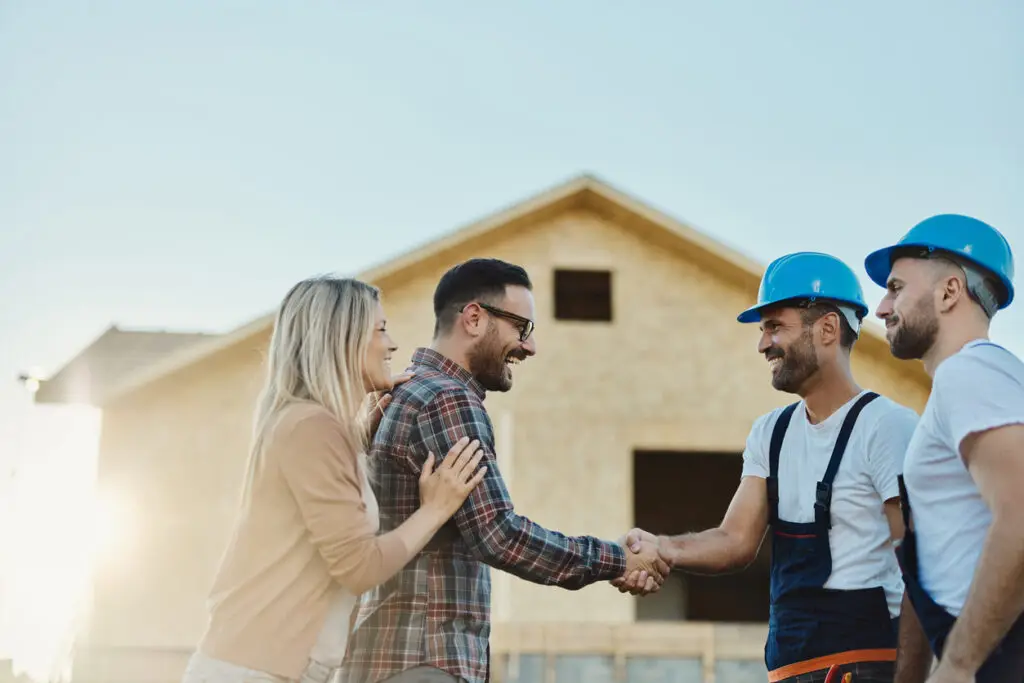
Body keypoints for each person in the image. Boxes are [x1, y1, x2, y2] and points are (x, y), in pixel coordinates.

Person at [342, 258, 669, 683]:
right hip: (424, 658)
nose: (529, 347)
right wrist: (616, 559)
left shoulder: (405, 393)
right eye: (522, 328)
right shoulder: (448, 400)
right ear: (475, 318)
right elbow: (499, 534)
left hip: (388, 655)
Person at [617, 252, 919, 683]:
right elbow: (735, 541)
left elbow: (919, 564)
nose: (762, 344)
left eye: (775, 327)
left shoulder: (887, 427)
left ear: (828, 328)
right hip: (788, 670)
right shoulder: (770, 433)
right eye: (762, 331)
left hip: (866, 667)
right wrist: (663, 547)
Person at [181, 276, 488, 683]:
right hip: (254, 671)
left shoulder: (309, 424)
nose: (392, 344)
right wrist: (435, 510)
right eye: (380, 329)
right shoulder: (312, 427)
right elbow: (358, 567)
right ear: (342, 339)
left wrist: (366, 413)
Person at [864, 214, 1024, 683]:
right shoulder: (990, 380)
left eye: (895, 288)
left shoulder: (969, 374)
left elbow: (1020, 513)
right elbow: (932, 557)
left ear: (950, 291)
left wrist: (958, 664)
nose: (880, 307)